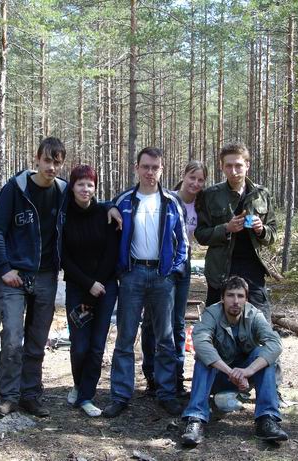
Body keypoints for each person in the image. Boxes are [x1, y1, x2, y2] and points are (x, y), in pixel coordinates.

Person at [102, 146, 188, 418]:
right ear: (136, 168)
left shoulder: (171, 202)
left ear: (162, 170)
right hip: (132, 275)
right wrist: (122, 270)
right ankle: (120, 395)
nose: (150, 172)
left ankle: (166, 393)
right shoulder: (125, 200)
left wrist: (173, 271)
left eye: (155, 167)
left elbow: (183, 243)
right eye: (146, 167)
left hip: (162, 276)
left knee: (165, 339)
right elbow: (102, 206)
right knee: (125, 338)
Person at [0, 137, 68, 418]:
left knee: (37, 340)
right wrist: (4, 268)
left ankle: (30, 395)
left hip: (46, 275)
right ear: (37, 159)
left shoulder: (63, 192)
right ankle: (8, 396)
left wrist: (112, 208)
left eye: (57, 162)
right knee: (12, 337)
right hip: (15, 275)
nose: (51, 167)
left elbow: (89, 207)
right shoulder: (15, 189)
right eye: (47, 160)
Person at [181, 276, 288, 446]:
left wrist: (248, 371)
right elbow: (200, 342)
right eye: (230, 295)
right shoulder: (212, 313)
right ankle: (196, 418)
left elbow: (275, 344)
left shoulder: (254, 314)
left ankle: (266, 419)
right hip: (218, 377)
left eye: (240, 296)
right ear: (222, 298)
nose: (235, 301)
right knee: (204, 356)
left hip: (246, 378)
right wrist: (230, 372)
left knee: (264, 354)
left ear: (246, 299)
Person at [141, 160, 207, 397]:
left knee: (178, 323)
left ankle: (175, 376)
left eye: (200, 180)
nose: (195, 183)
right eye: (192, 177)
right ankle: (151, 374)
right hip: (161, 263)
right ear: (183, 176)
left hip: (184, 264)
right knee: (152, 321)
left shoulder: (202, 204)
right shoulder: (166, 198)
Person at [195, 143, 277, 322]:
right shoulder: (210, 195)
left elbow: (273, 233)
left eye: (238, 165)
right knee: (215, 324)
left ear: (247, 165)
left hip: (253, 268)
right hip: (220, 269)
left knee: (261, 324)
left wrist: (261, 230)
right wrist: (226, 229)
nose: (233, 171)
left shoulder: (261, 194)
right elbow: (201, 235)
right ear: (222, 167)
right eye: (229, 166)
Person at [62, 165, 119, 417]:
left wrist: (99, 284)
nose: (85, 189)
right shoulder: (63, 216)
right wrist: (88, 284)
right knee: (79, 345)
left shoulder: (105, 213)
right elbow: (63, 257)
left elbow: (111, 252)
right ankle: (78, 384)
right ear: (72, 186)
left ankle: (86, 396)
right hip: (78, 289)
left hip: (106, 288)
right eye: (80, 184)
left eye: (90, 184)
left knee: (96, 346)